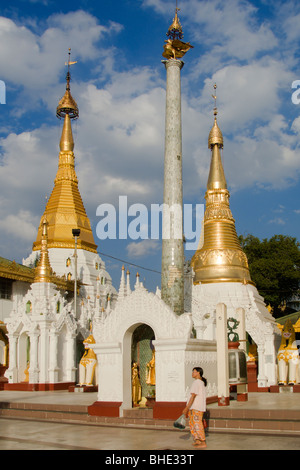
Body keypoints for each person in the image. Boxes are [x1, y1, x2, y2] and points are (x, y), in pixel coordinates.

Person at [182, 367, 207, 448]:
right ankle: (197, 440)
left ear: (198, 373)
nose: (192, 373)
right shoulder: (200, 382)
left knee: (197, 424)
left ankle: (203, 441)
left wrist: (187, 407)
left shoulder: (197, 382)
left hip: (196, 407)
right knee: (192, 424)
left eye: (194, 371)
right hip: (194, 407)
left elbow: (193, 396)